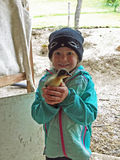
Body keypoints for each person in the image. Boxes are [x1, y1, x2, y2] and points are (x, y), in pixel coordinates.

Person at [31, 27, 97, 160]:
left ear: (78, 57)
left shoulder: (84, 81)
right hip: (53, 151)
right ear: (51, 56)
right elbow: (38, 117)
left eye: (70, 53)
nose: (63, 59)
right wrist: (49, 104)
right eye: (57, 53)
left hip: (78, 151)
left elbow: (89, 116)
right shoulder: (45, 82)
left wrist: (68, 98)